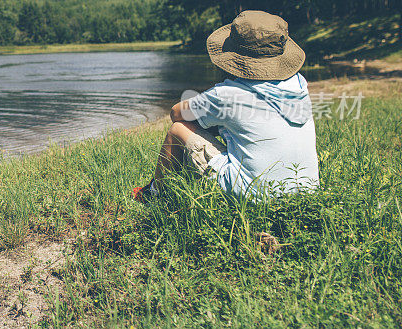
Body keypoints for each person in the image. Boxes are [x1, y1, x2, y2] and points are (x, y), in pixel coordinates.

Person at [134, 10, 319, 200]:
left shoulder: (228, 94)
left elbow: (176, 113)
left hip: (254, 195)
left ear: (236, 54)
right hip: (306, 190)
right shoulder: (299, 85)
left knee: (179, 129)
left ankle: (154, 195)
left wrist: (211, 119)